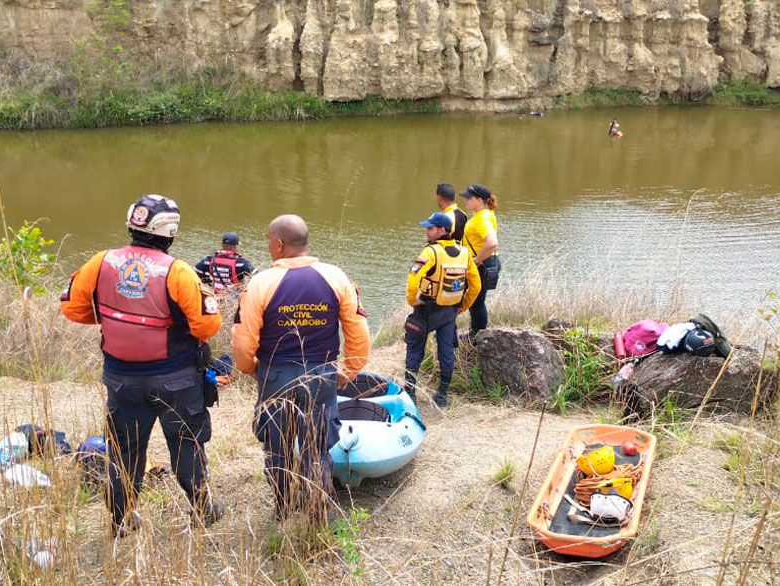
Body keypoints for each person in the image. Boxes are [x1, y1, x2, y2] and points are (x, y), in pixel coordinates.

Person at [60, 194, 224, 537]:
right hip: (177, 380)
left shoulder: (100, 262)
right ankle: (202, 511)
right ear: (170, 231)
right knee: (187, 444)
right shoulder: (178, 272)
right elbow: (207, 326)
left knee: (124, 454)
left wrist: (119, 320)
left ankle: (120, 522)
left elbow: (73, 308)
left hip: (121, 380)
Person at [232, 214, 370, 521]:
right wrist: (349, 371)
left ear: (279, 245)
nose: (268, 246)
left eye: (269, 240)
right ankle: (317, 514)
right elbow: (358, 332)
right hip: (321, 374)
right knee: (317, 449)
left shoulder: (261, 284)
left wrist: (250, 368)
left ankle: (283, 508)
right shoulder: (337, 277)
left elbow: (243, 343)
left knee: (277, 446)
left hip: (276, 374)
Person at [404, 213, 481, 407]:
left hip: (426, 310)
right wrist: (462, 306)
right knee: (446, 351)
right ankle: (442, 394)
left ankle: (410, 393)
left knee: (415, 348)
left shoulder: (430, 252)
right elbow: (476, 285)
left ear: (443, 231)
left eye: (431, 228)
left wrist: (413, 300)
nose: (427, 231)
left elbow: (413, 278)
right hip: (449, 312)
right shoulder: (464, 253)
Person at [462, 184, 500, 336]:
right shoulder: (485, 213)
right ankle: (476, 334)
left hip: (482, 264)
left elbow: (492, 242)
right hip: (488, 262)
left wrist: (476, 260)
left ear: (479, 200)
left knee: (476, 302)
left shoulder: (481, 219)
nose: (466, 200)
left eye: (469, 198)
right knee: (477, 301)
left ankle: (477, 336)